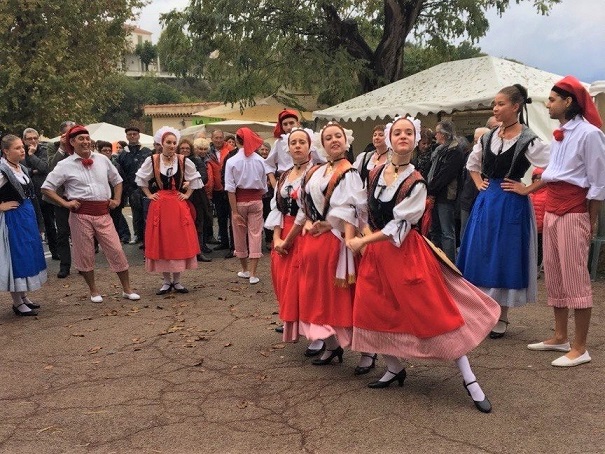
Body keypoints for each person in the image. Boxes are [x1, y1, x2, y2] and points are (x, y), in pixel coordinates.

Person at [346, 117, 499, 413]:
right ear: (389, 139)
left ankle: (469, 380)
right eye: (397, 132)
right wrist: (361, 234)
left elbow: (400, 228)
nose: (402, 136)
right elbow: (362, 209)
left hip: (405, 255)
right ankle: (393, 367)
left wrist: (364, 242)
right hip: (377, 256)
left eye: (408, 132)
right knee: (373, 310)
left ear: (417, 140)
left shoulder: (416, 180)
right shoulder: (375, 171)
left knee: (433, 313)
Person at [456, 84, 550, 338]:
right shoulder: (489, 137)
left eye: (500, 104)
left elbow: (554, 168)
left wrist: (527, 188)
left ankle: (503, 315)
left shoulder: (528, 139)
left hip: (511, 203)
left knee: (505, 255)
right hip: (487, 201)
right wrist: (478, 183)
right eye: (494, 104)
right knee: (481, 251)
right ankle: (481, 310)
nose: (495, 109)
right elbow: (472, 164)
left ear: (516, 106)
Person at [527, 76, 605, 367]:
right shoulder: (560, 133)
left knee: (575, 275)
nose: (548, 104)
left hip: (574, 209)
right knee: (555, 272)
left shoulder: (589, 134)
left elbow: (598, 182)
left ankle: (581, 347)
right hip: (553, 207)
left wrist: (590, 219)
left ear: (568, 102)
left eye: (552, 99)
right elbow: (550, 174)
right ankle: (560, 336)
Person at [297, 122, 369, 370]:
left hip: (337, 243)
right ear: (321, 144)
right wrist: (309, 221)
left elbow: (354, 209)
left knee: (344, 299)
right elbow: (304, 202)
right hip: (315, 243)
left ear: (346, 141)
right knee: (318, 297)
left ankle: (367, 353)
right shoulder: (316, 172)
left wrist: (331, 225)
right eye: (328, 138)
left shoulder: (349, 173)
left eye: (338, 136)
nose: (334, 140)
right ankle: (331, 345)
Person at [42, 125, 140, 303]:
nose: (86, 142)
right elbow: (47, 188)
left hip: (103, 213)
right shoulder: (64, 165)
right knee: (85, 253)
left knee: (116, 250)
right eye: (81, 139)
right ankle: (94, 291)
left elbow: (117, 180)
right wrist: (65, 203)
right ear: (72, 142)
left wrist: (117, 200)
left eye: (87, 138)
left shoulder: (102, 159)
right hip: (80, 215)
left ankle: (127, 289)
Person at [265, 128, 323, 355]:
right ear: (287, 148)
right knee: (285, 282)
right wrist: (277, 237)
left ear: (310, 147)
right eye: (293, 143)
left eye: (302, 142)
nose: (297, 146)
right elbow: (276, 206)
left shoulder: (316, 173)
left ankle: (316, 336)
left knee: (306, 286)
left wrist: (287, 240)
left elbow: (305, 211)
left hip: (304, 234)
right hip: (283, 234)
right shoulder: (284, 175)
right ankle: (295, 322)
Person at [136, 127, 203, 295]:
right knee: (163, 241)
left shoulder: (182, 160)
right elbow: (141, 179)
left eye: (174, 143)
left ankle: (178, 281)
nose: (172, 145)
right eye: (169, 142)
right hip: (160, 205)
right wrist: (149, 194)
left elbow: (195, 179)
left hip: (177, 205)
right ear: (161, 143)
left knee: (177, 240)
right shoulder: (153, 160)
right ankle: (166, 281)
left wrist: (187, 194)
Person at [0, 134, 47, 316]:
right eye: (17, 148)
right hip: (12, 219)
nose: (22, 150)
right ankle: (17, 302)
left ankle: (23, 296)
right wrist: (1, 206)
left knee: (28, 255)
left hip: (26, 216)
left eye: (22, 147)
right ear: (5, 151)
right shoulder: (3, 170)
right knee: (17, 257)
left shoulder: (22, 168)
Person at [224, 128, 268, 284]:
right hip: (256, 200)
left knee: (239, 234)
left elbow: (230, 188)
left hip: (239, 200)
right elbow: (264, 184)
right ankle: (253, 273)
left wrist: (234, 211)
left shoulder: (231, 161)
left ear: (237, 140)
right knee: (256, 235)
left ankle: (244, 269)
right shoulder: (261, 160)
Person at [427, 120, 466, 262]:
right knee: (434, 230)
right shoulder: (439, 150)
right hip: (436, 194)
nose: (435, 136)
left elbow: (446, 175)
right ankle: (435, 260)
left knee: (447, 232)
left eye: (437, 132)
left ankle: (449, 263)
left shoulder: (455, 151)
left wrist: (431, 189)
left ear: (443, 134)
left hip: (446, 196)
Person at [264, 109, 325, 190]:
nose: (289, 127)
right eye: (285, 124)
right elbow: (268, 164)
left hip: (306, 180)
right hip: (285, 181)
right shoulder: (279, 143)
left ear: (298, 123)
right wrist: (274, 183)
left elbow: (323, 161)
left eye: (291, 123)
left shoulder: (308, 139)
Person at [22, 127, 58, 260]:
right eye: (29, 138)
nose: (32, 141)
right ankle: (34, 255)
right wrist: (33, 170)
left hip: (44, 193)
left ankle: (55, 251)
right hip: (28, 195)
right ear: (24, 140)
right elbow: (21, 170)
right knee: (32, 224)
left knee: (50, 224)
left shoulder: (44, 150)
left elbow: (45, 168)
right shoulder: (20, 150)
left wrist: (31, 155)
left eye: (35, 138)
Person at [46, 121, 76, 278]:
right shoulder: (52, 148)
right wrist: (63, 147)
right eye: (69, 134)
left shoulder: (81, 147)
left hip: (79, 198)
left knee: (81, 233)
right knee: (63, 233)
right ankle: (65, 266)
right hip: (60, 199)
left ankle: (84, 264)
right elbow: (50, 168)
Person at [116, 126, 153, 246]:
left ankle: (149, 237)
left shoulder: (147, 151)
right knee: (136, 213)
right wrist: (126, 189)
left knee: (147, 213)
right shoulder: (123, 154)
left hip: (146, 188)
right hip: (131, 189)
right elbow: (120, 172)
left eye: (135, 134)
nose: (132, 136)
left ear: (138, 135)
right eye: (130, 134)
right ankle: (138, 235)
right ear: (126, 136)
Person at [178, 138, 211, 262]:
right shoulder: (174, 161)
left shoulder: (197, 160)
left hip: (197, 197)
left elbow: (204, 177)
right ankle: (184, 251)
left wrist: (191, 182)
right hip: (180, 196)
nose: (185, 150)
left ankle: (199, 251)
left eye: (187, 148)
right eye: (182, 148)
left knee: (198, 224)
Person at [458, 127, 490, 241]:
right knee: (465, 235)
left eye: (480, 140)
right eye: (475, 140)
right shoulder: (470, 156)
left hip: (483, 202)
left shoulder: (492, 158)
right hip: (467, 201)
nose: (477, 144)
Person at [97, 140, 132, 243]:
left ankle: (114, 242)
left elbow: (122, 181)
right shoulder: (94, 164)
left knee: (115, 222)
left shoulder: (116, 165)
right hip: (101, 199)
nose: (107, 152)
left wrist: (120, 198)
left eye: (109, 150)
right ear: (100, 151)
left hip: (115, 199)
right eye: (104, 150)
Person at [207, 129, 233, 251]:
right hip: (217, 189)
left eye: (220, 137)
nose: (218, 140)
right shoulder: (208, 152)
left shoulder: (230, 150)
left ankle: (234, 243)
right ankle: (224, 242)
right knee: (221, 218)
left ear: (223, 138)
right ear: (212, 139)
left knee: (232, 217)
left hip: (229, 188)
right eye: (216, 138)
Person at [528, 168, 546, 277]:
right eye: (536, 178)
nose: (538, 181)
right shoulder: (529, 193)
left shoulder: (547, 194)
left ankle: (537, 269)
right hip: (531, 227)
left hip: (541, 228)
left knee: (539, 249)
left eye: (540, 179)